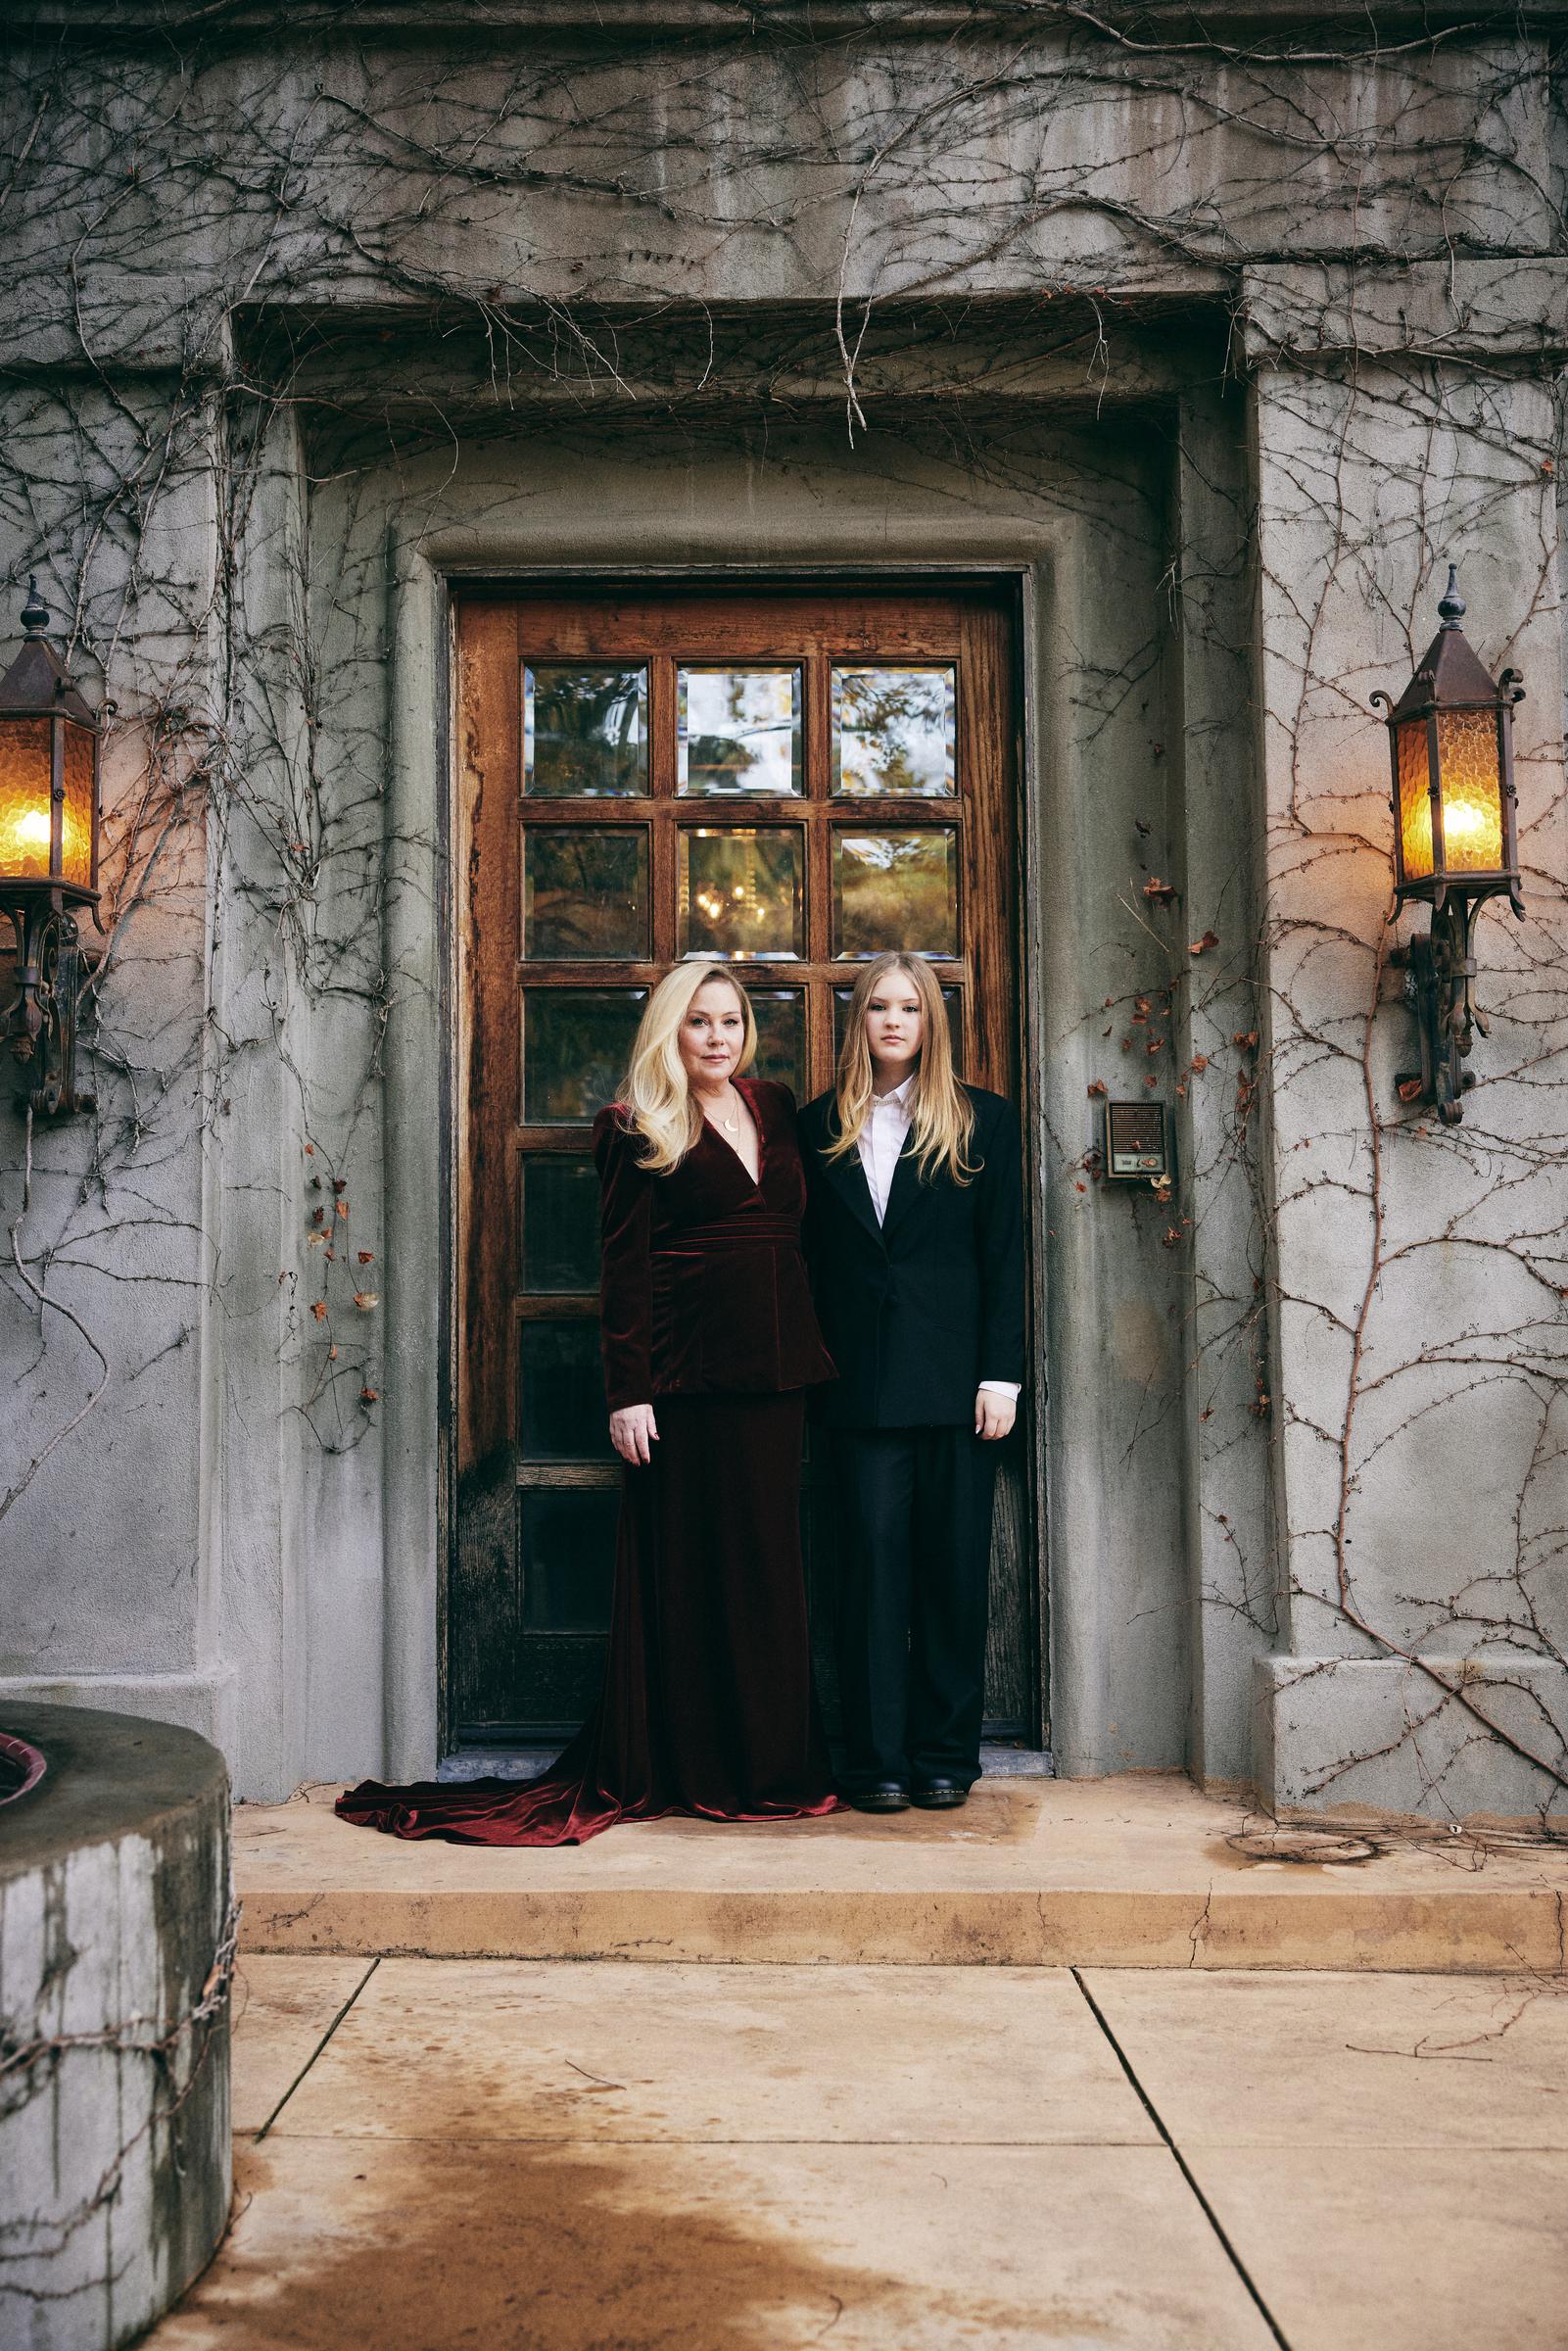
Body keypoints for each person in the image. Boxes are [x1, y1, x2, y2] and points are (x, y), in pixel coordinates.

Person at [337, 963, 838, 1845]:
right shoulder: (633, 1124)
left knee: (765, 1573)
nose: (717, 1038)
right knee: (688, 1574)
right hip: (682, 1385)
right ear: (669, 1031)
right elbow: (625, 1267)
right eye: (698, 1022)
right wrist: (628, 1393)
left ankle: (769, 1766)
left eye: (730, 1021)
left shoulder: (774, 1104)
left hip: (776, 1377)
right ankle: (691, 1767)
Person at [799, 953, 1025, 1814]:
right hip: (856, 1390)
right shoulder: (817, 1126)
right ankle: (874, 1764)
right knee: (867, 1578)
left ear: (932, 1022)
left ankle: (943, 1758)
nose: (893, 1022)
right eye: (878, 1008)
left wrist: (1000, 1376)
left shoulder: (983, 1121)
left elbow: (1002, 1254)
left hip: (959, 1390)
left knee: (952, 1576)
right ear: (856, 1021)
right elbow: (806, 1261)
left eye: (910, 1008)